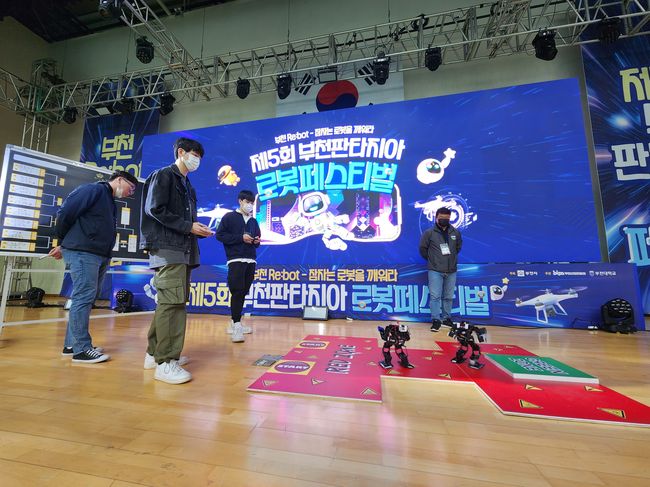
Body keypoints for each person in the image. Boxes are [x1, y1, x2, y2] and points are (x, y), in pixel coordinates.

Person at [140, 137, 213, 384]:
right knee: (172, 304)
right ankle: (166, 362)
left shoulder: (187, 186)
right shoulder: (164, 176)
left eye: (200, 157)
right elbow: (155, 209)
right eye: (195, 155)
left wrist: (196, 229)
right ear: (181, 152)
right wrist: (188, 226)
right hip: (167, 248)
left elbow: (184, 221)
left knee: (170, 302)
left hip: (183, 249)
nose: (197, 161)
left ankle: (154, 354)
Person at [49, 170, 138, 363]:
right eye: (131, 188)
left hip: (98, 254)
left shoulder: (109, 200)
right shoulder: (93, 190)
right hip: (83, 252)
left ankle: (71, 344)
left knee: (86, 297)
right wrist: (64, 242)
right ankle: (81, 350)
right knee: (83, 296)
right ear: (119, 180)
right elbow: (65, 213)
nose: (130, 193)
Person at [216, 190, 261, 343]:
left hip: (251, 260)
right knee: (237, 291)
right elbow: (220, 235)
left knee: (243, 291)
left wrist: (256, 241)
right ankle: (236, 325)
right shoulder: (229, 217)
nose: (250, 205)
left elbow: (258, 240)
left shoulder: (253, 221)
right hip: (235, 259)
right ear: (240, 201)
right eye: (247, 202)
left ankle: (235, 322)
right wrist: (240, 238)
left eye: (252, 203)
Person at [418, 207, 462, 332]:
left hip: (451, 270)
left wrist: (450, 259)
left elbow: (458, 248)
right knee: (435, 296)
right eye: (441, 217)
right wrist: (433, 260)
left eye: (447, 218)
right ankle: (436, 320)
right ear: (436, 218)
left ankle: (446, 318)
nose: (444, 220)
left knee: (448, 296)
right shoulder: (429, 233)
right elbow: (423, 249)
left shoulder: (455, 232)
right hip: (435, 270)